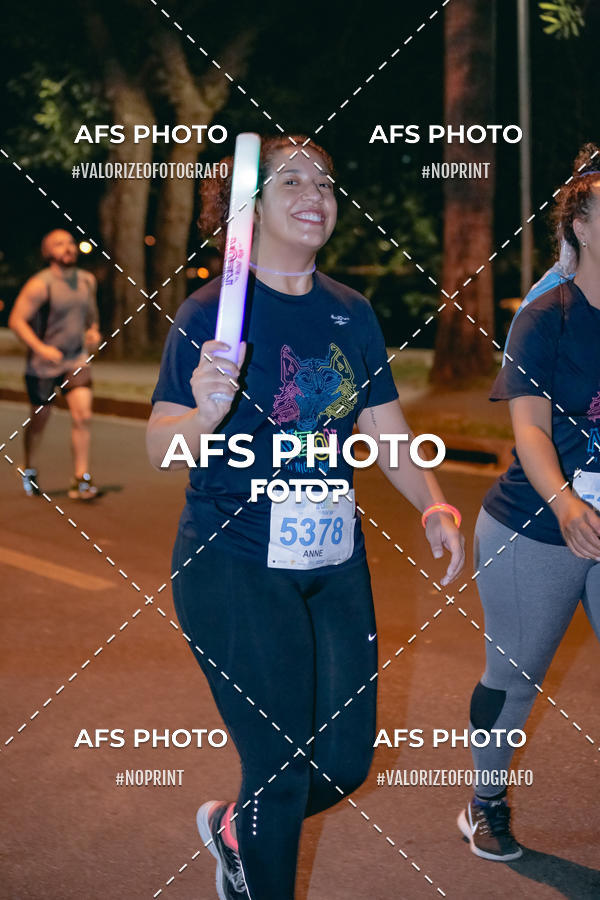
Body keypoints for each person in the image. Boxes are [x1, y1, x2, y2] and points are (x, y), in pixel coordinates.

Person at [147, 135, 465, 900]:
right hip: (232, 564)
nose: (314, 193)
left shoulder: (353, 313)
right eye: (290, 180)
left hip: (332, 560)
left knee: (348, 760)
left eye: (323, 180)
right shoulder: (208, 314)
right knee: (282, 769)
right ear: (246, 211)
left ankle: (238, 828)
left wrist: (435, 504)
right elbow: (162, 442)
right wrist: (206, 410)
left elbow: (388, 437)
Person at [458, 143, 600, 861]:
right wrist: (569, 503)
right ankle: (485, 801)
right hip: (537, 527)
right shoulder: (546, 317)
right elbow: (530, 430)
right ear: (580, 224)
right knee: (513, 676)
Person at [9, 229, 101, 499]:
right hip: (43, 365)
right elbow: (16, 320)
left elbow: (92, 317)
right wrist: (41, 348)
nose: (68, 248)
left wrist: (94, 331)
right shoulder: (40, 284)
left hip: (76, 359)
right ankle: (30, 466)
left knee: (83, 415)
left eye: (71, 242)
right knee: (40, 418)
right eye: (59, 244)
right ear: (48, 253)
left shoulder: (87, 281)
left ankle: (81, 479)